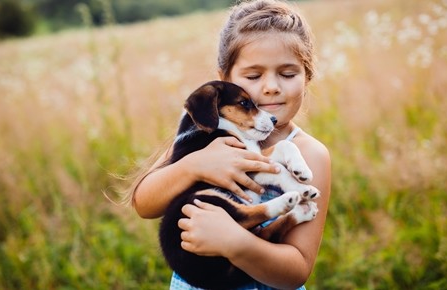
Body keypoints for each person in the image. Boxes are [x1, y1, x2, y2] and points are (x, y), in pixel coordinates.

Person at [128, 0, 331, 289]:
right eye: (253, 76)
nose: (271, 86)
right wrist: (192, 167)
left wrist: (235, 243)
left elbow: (297, 270)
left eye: (287, 74)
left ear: (307, 76)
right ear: (224, 80)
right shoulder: (203, 139)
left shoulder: (310, 154)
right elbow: (144, 204)